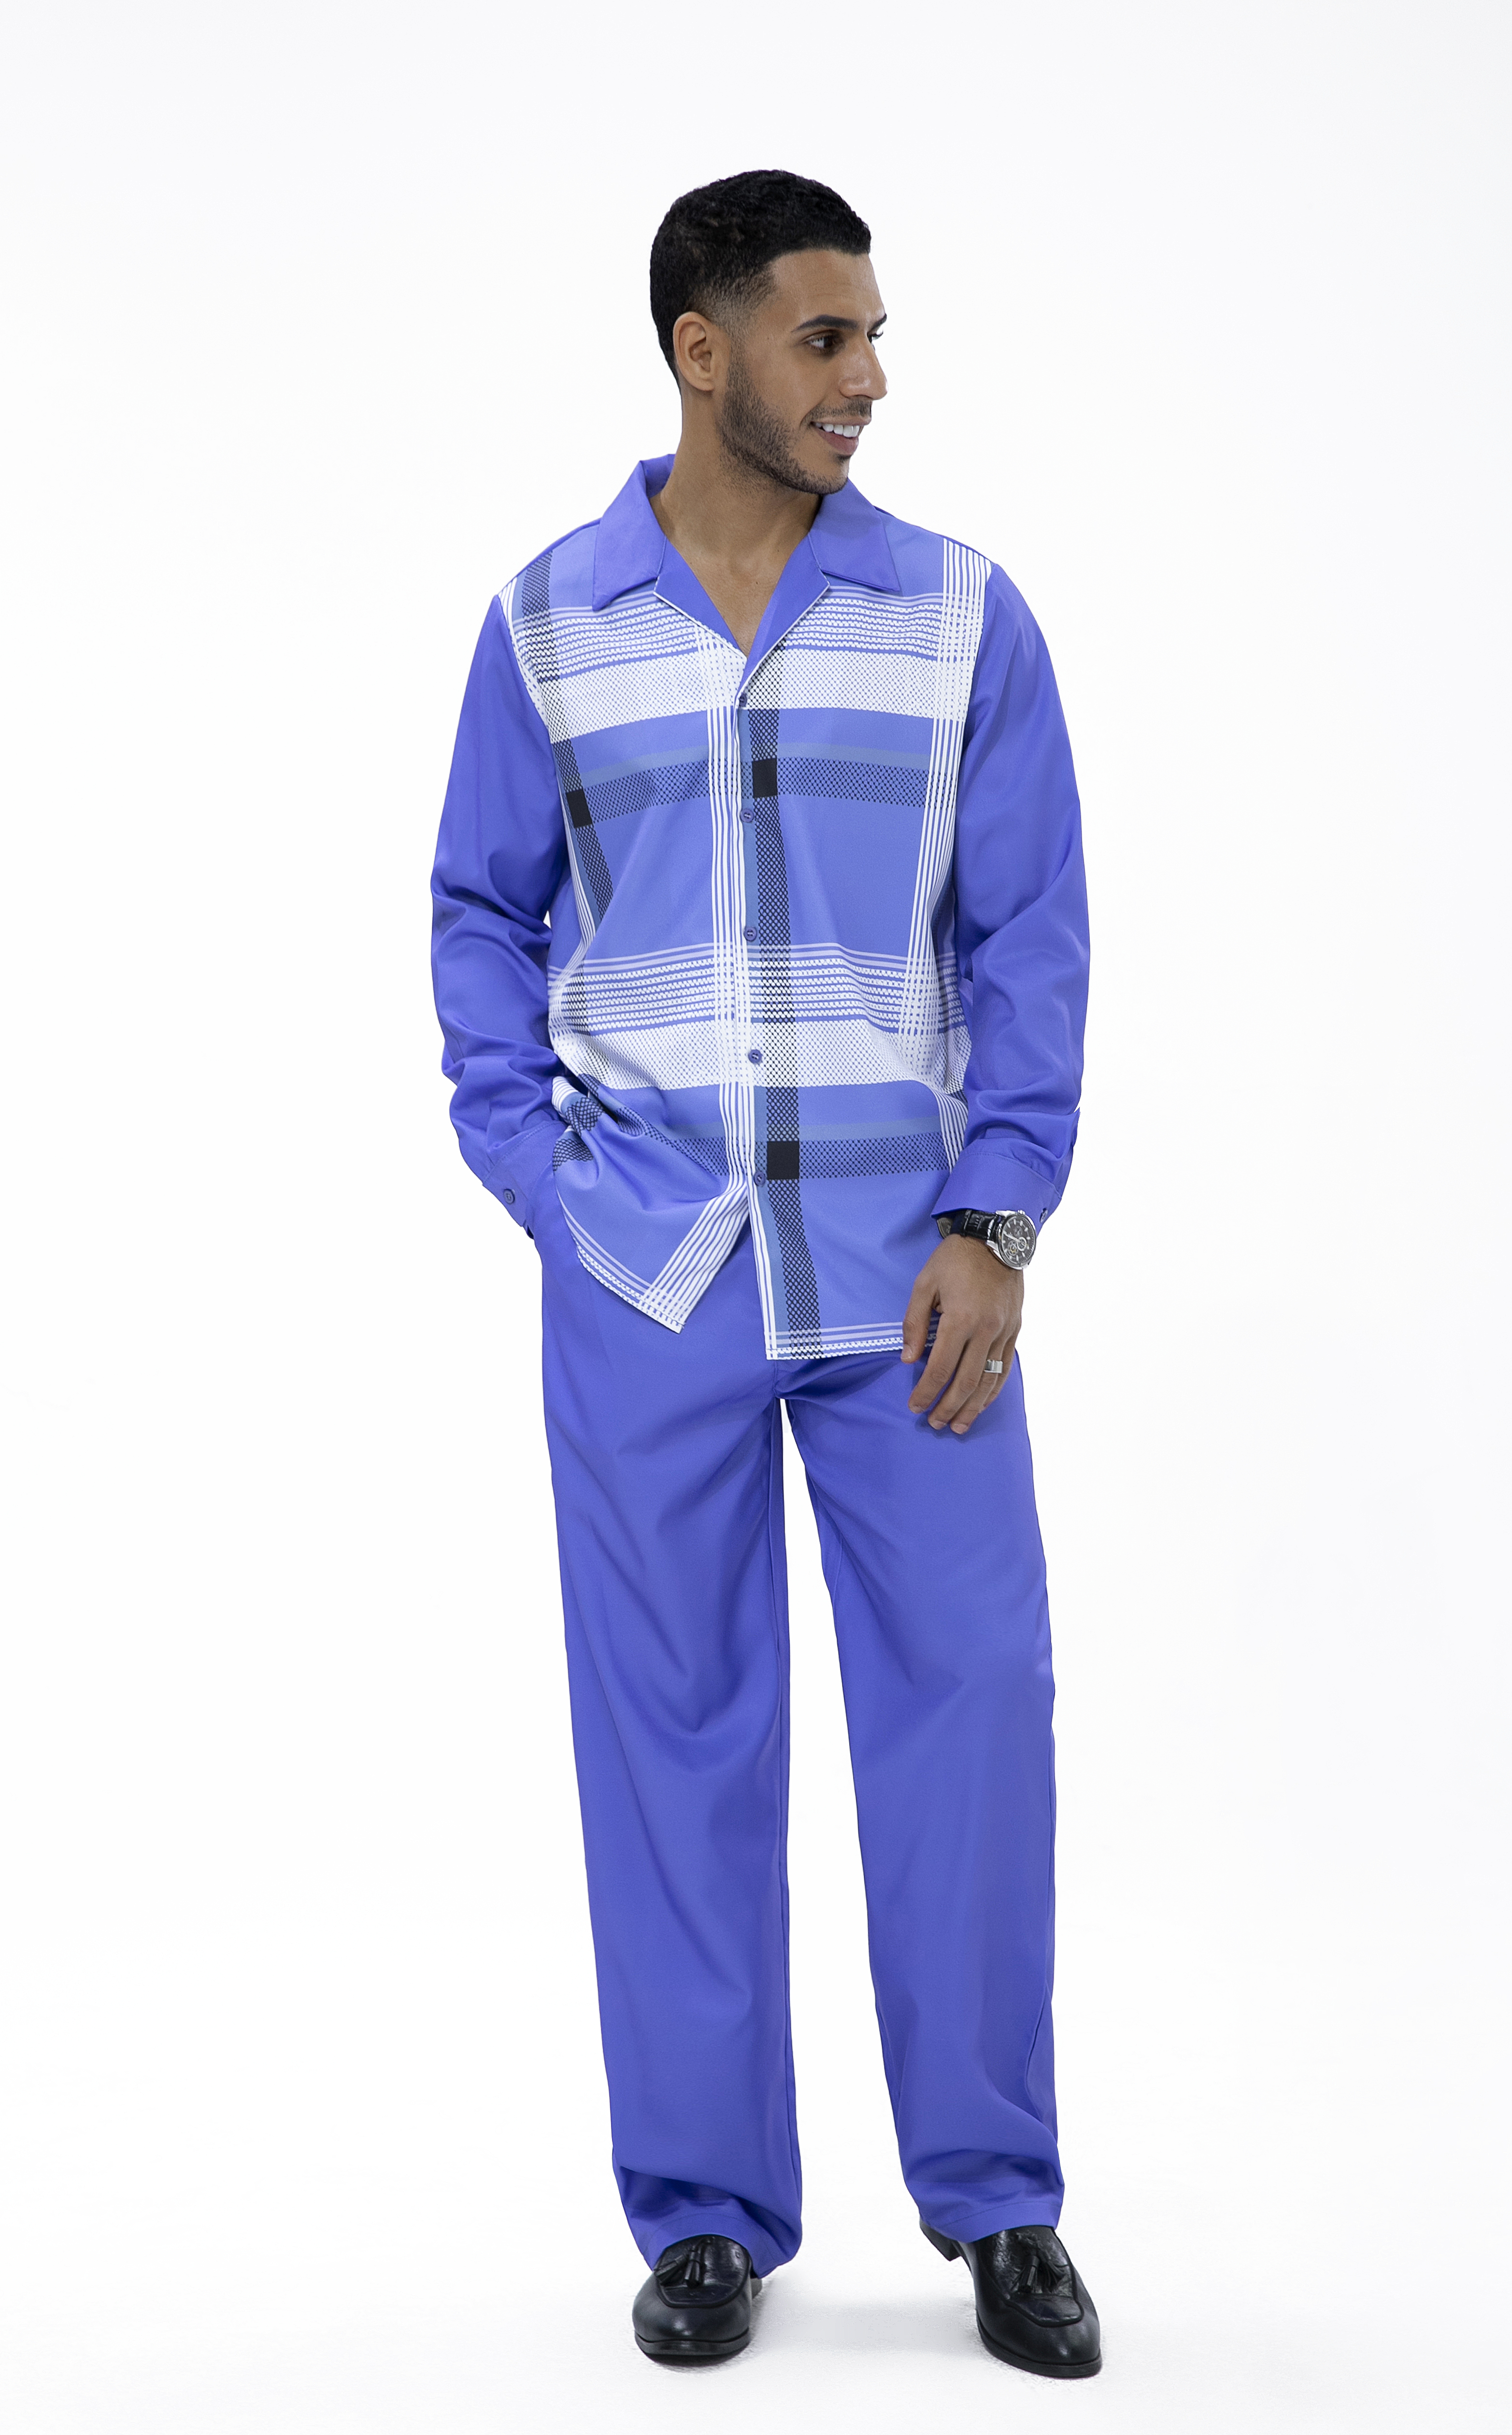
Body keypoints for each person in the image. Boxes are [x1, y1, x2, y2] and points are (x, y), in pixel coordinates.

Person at [430, 169, 1098, 2379]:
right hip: (648, 1281)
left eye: (873, 334)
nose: (869, 376)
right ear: (700, 349)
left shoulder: (964, 618)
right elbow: (479, 913)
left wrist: (997, 1219)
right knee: (673, 1747)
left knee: (972, 1717)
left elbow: (1029, 940)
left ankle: (1000, 2203)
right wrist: (547, 1183)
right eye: (828, 337)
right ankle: (706, 2214)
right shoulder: (550, 624)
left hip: (913, 1286)